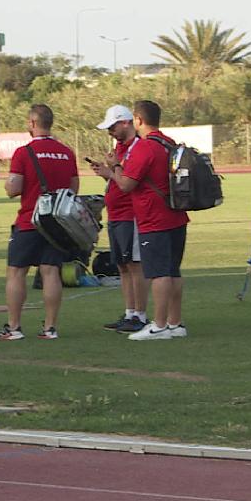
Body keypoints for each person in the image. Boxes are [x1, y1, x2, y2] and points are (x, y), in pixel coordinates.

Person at [0, 104, 78, 341]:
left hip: (30, 220)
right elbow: (73, 189)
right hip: (57, 224)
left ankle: (14, 326)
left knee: (16, 272)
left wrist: (8, 186)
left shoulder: (24, 152)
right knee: (51, 272)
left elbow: (14, 187)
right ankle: (50, 328)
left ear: (32, 123)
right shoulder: (67, 152)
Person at [112, 100, 190, 341]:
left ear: (138, 120)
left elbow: (126, 183)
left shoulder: (145, 147)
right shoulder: (169, 143)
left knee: (159, 273)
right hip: (176, 214)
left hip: (153, 218)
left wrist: (113, 167)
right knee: (173, 271)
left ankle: (159, 325)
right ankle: (175, 323)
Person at [89, 105, 147, 333]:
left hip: (130, 213)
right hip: (116, 213)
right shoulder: (121, 148)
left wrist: (111, 171)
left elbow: (127, 182)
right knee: (122, 265)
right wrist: (108, 171)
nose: (110, 132)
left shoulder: (137, 147)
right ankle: (130, 312)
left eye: (112, 127)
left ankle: (140, 315)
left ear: (125, 123)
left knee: (134, 265)